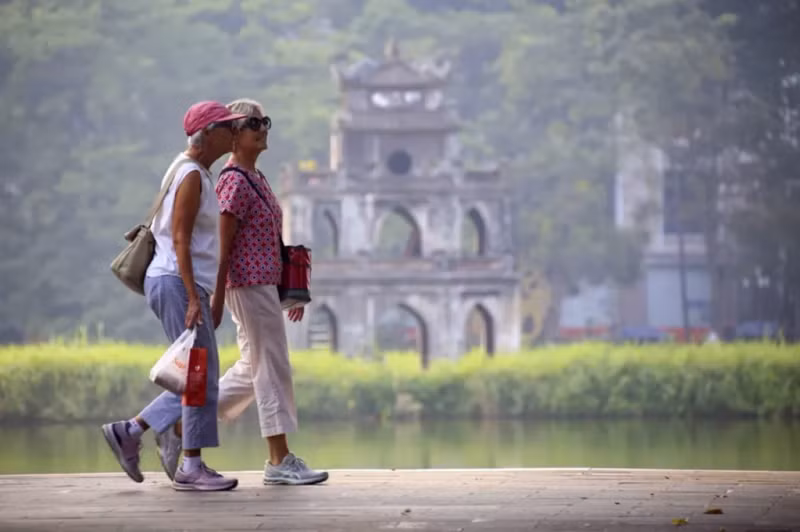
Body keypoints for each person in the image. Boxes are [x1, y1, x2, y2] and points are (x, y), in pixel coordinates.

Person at [156, 98, 328, 486]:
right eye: (253, 123)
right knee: (273, 365)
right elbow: (223, 246)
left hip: (263, 283)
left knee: (253, 368)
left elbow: (268, 242)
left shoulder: (257, 178)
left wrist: (290, 291)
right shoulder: (233, 180)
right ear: (234, 134)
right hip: (245, 284)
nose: (262, 128)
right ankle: (278, 459)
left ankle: (181, 425)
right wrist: (214, 297)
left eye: (265, 121)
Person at [101, 101, 247, 492]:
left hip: (179, 282)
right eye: (228, 127)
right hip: (175, 282)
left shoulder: (193, 170)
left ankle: (137, 433)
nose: (234, 134)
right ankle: (183, 462)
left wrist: (204, 293)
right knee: (200, 376)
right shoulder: (191, 174)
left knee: (198, 376)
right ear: (208, 133)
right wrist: (193, 295)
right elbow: (180, 237)